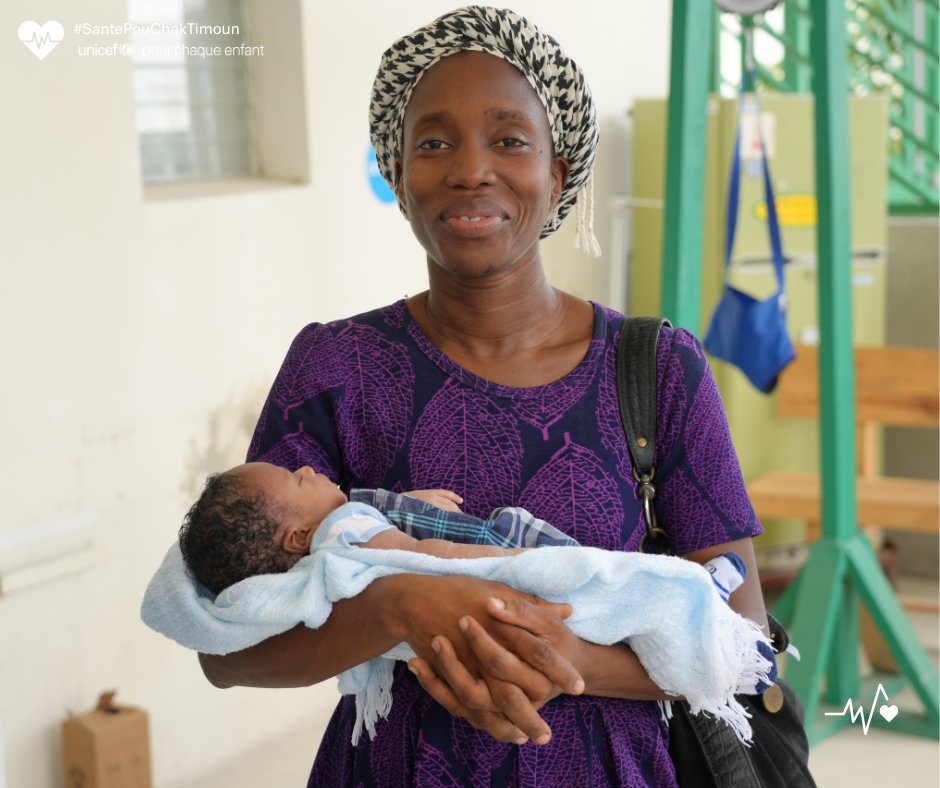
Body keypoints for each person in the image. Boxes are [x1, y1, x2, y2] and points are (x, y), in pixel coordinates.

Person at [196, 6, 773, 786]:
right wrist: (398, 610)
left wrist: (572, 660)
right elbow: (227, 649)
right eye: (434, 143)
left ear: (557, 175)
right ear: (397, 176)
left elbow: (746, 640)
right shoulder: (336, 367)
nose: (471, 170)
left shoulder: (658, 370)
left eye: (509, 140)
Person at [177, 461, 746, 602]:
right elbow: (421, 553)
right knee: (600, 575)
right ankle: (695, 587)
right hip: (499, 557)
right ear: (297, 538)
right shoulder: (343, 531)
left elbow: (386, 524)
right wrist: (503, 560)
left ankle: (686, 588)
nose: (306, 467)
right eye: (297, 479)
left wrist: (409, 504)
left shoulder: (332, 539)